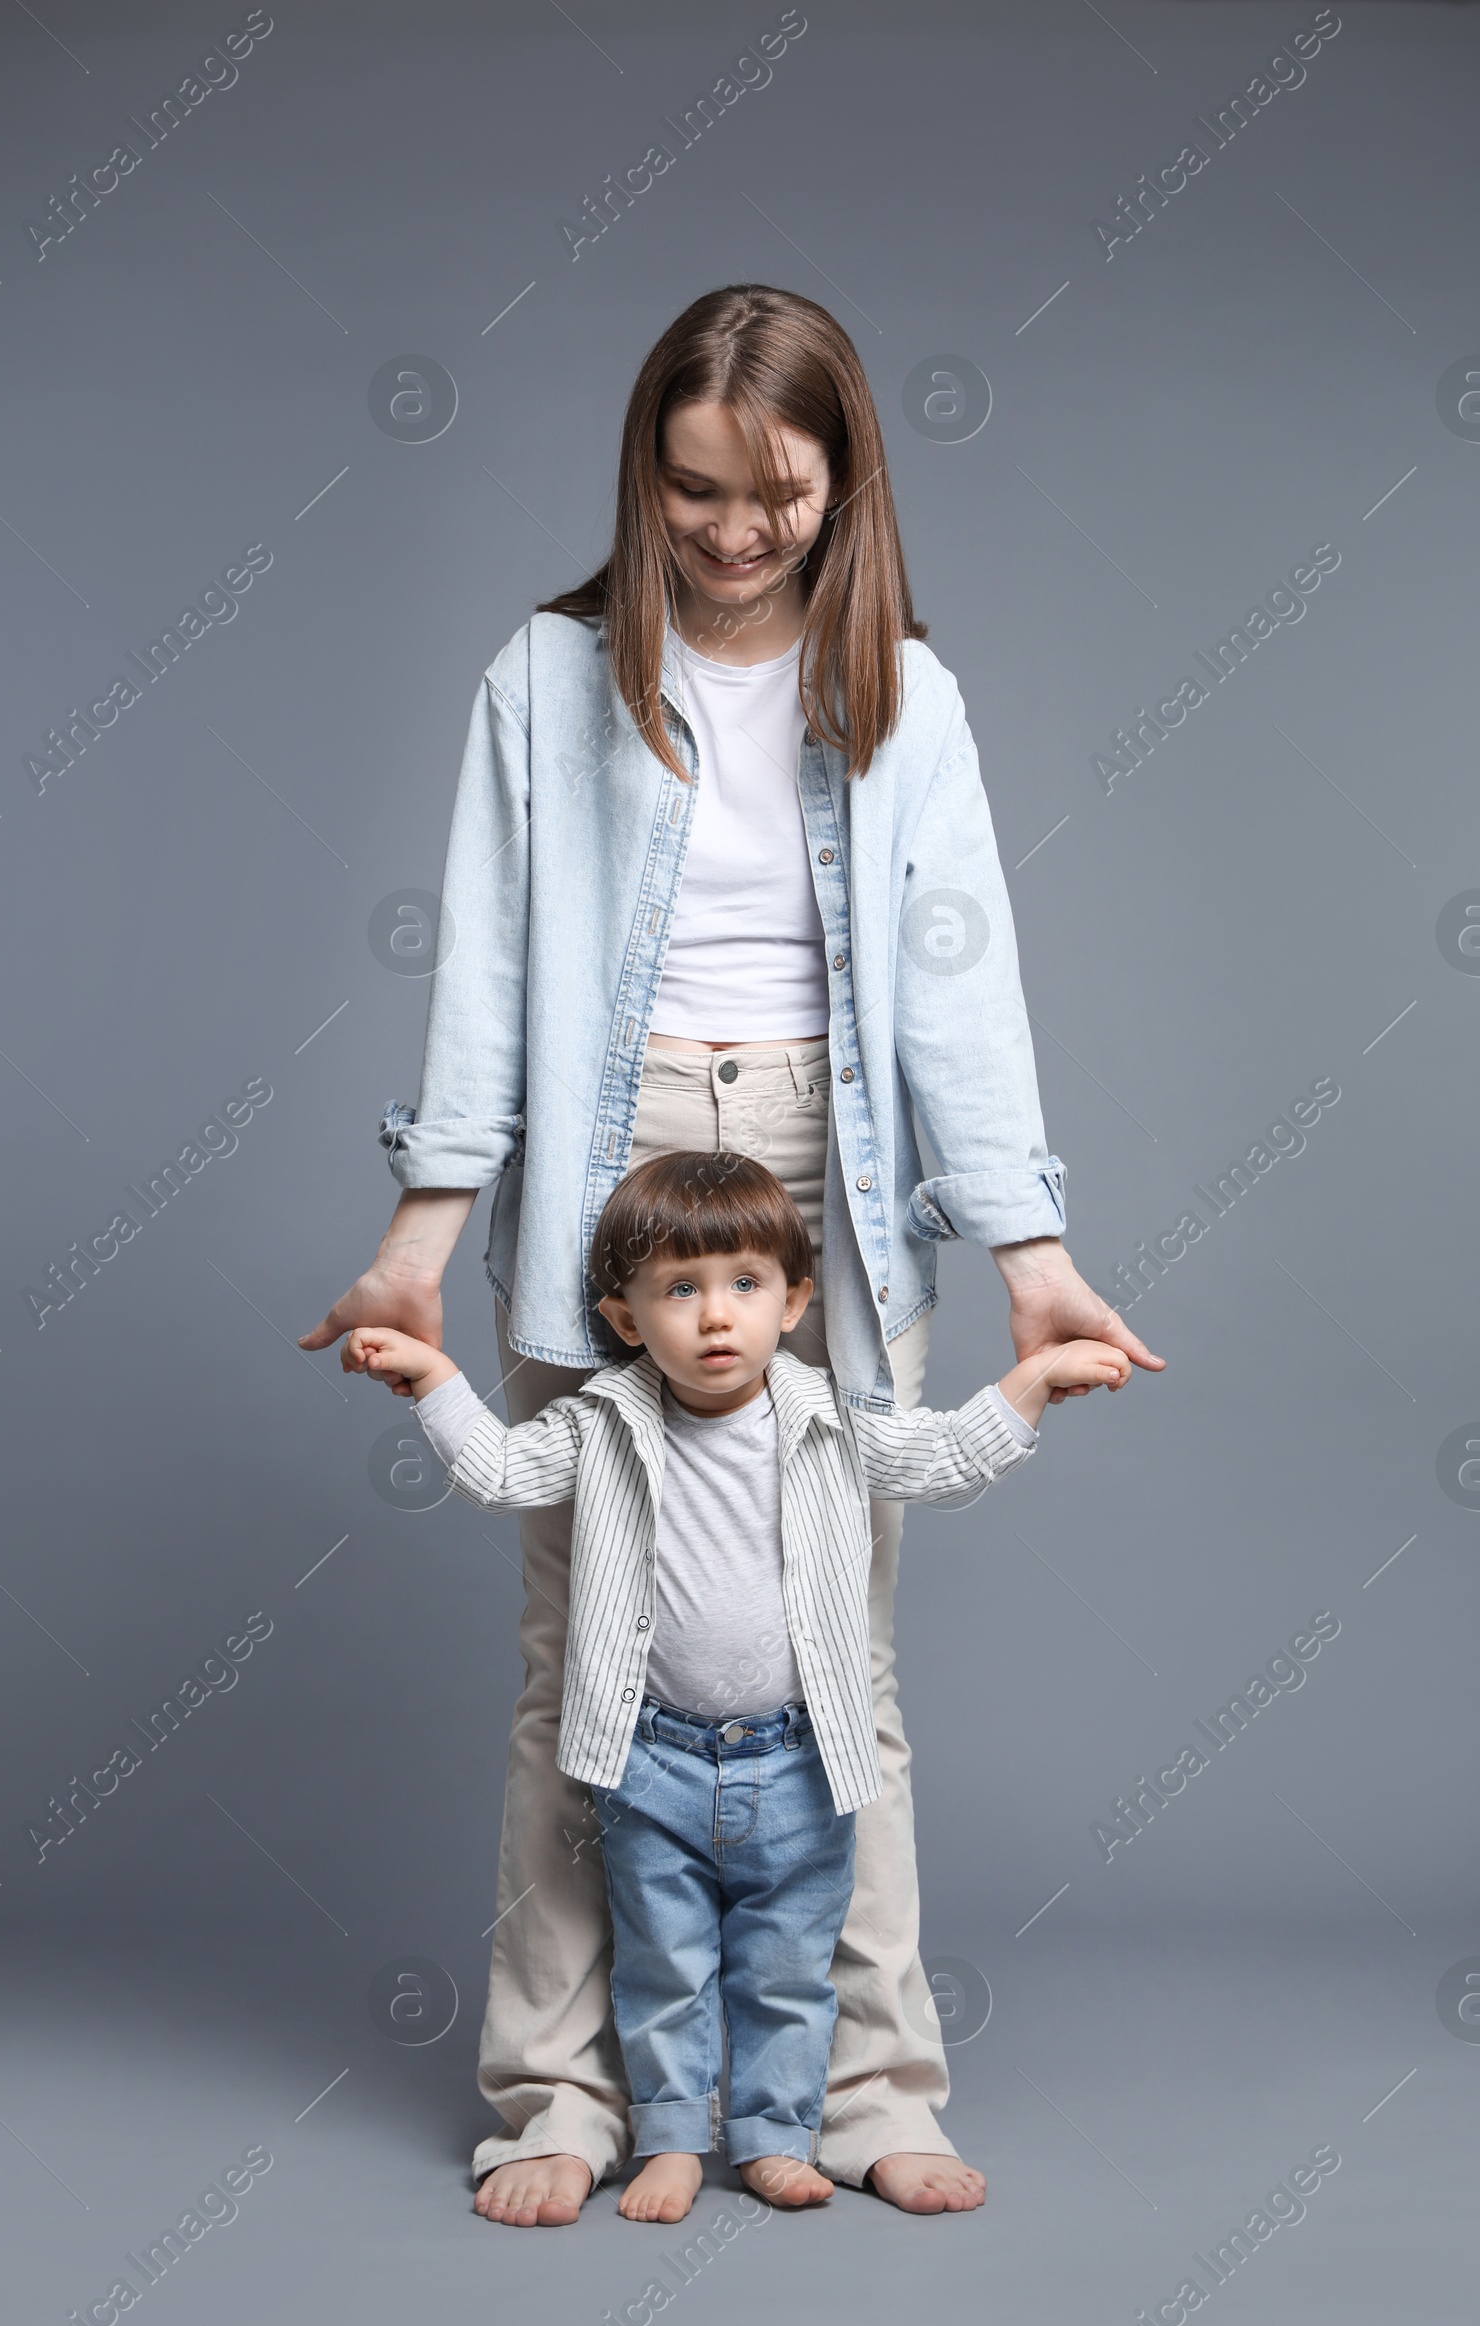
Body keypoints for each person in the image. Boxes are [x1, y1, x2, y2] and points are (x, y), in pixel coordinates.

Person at [301, 283, 1163, 2227]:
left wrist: (1027, 1251)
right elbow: (490, 974)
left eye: (771, 491)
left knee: (829, 1665)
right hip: (608, 1180)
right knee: (572, 1663)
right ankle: (559, 2096)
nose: (730, 530)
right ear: (643, 477)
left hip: (818, 1171)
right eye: (690, 490)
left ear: (842, 475)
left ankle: (860, 2089)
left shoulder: (906, 697)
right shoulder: (542, 678)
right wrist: (420, 1238)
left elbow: (961, 995)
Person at [345, 1152, 1133, 2223]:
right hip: (650, 1761)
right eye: (679, 1289)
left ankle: (771, 2138)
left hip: (801, 1760)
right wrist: (433, 1383)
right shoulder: (603, 1422)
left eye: (745, 1285)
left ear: (794, 1300)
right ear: (624, 1318)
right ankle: (669, 2136)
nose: (716, 1318)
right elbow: (499, 1475)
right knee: (662, 1968)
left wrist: (1031, 1386)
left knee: (787, 1972)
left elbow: (942, 1458)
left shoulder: (831, 1415)